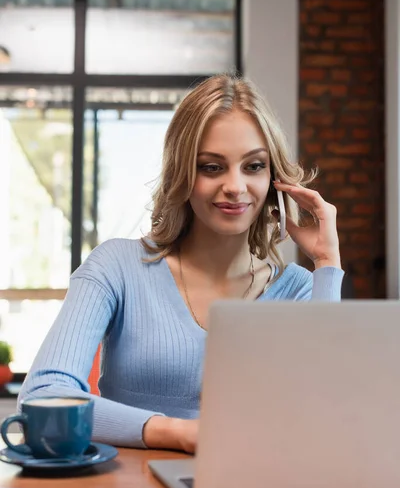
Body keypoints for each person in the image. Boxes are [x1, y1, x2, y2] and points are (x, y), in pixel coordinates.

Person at [18, 74, 343, 453]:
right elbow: (42, 396)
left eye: (253, 166)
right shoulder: (117, 267)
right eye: (211, 167)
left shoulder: (300, 290)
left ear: (274, 178)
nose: (236, 187)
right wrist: (181, 433)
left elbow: (328, 415)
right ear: (183, 173)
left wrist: (326, 262)